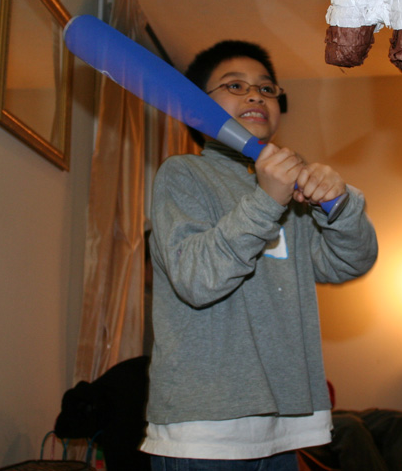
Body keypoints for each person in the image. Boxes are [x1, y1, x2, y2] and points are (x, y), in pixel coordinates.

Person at [141, 40, 378, 470]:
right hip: (204, 433)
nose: (255, 95)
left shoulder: (292, 188)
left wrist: (340, 207)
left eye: (267, 89)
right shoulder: (183, 174)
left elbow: (349, 261)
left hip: (282, 431)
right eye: (235, 85)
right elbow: (196, 280)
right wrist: (266, 201)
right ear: (197, 107)